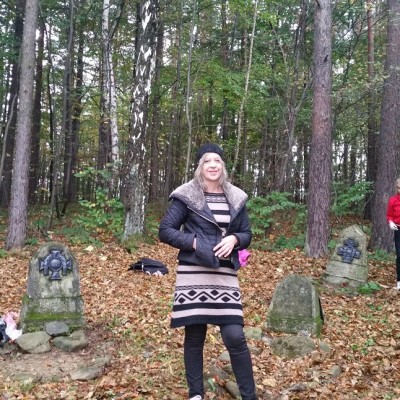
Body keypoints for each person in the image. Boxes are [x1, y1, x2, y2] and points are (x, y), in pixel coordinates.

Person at [159, 143, 257, 400]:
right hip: (193, 272)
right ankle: (196, 394)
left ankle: (249, 396)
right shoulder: (187, 195)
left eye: (217, 161)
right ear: (200, 166)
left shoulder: (235, 197)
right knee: (195, 336)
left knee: (235, 336)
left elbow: (247, 233)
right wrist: (194, 242)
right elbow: (165, 230)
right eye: (207, 161)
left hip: (225, 275)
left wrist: (235, 239)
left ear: (222, 166)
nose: (212, 165)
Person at [387, 177, 400, 290]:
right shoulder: (393, 200)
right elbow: (389, 214)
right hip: (398, 230)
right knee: (399, 255)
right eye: (398, 188)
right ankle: (399, 282)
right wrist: (391, 222)